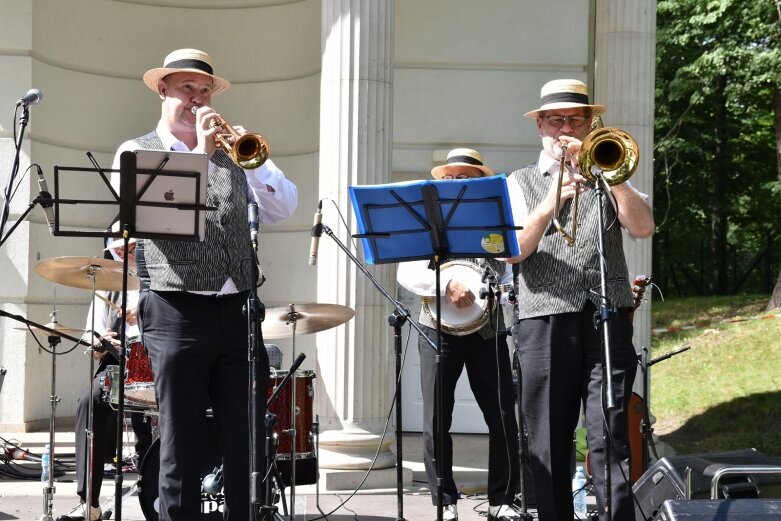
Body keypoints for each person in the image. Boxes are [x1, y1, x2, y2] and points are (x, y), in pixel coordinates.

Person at [110, 48, 298, 521]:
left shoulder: (233, 150)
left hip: (237, 309)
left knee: (246, 439)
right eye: (186, 89)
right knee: (180, 437)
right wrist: (201, 154)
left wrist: (253, 164)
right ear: (163, 91)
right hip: (175, 309)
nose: (197, 99)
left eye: (204, 90)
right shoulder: (137, 151)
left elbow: (285, 207)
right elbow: (168, 212)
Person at [506, 79, 655, 521]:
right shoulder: (520, 181)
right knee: (547, 437)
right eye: (556, 120)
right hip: (542, 318)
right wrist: (549, 205)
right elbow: (512, 249)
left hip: (605, 317)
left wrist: (612, 179)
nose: (565, 128)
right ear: (540, 127)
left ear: (592, 124)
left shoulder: (610, 171)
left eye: (575, 119)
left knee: (609, 430)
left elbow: (643, 226)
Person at [397, 148, 521, 521]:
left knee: (501, 416)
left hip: (488, 329)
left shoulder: (495, 218)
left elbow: (509, 273)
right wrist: (447, 283)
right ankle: (444, 499)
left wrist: (501, 294)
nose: (456, 183)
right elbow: (407, 273)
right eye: (450, 177)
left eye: (466, 177)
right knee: (437, 417)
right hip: (437, 329)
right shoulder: (427, 221)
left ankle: (501, 498)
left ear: (480, 181)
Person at [59, 239, 153, 521]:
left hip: (155, 360)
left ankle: (157, 493)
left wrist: (145, 319)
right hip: (117, 362)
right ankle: (90, 503)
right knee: (88, 402)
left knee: (148, 421)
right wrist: (101, 341)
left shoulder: (161, 279)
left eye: (132, 246)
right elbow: (91, 335)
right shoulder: (108, 283)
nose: (125, 252)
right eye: (120, 248)